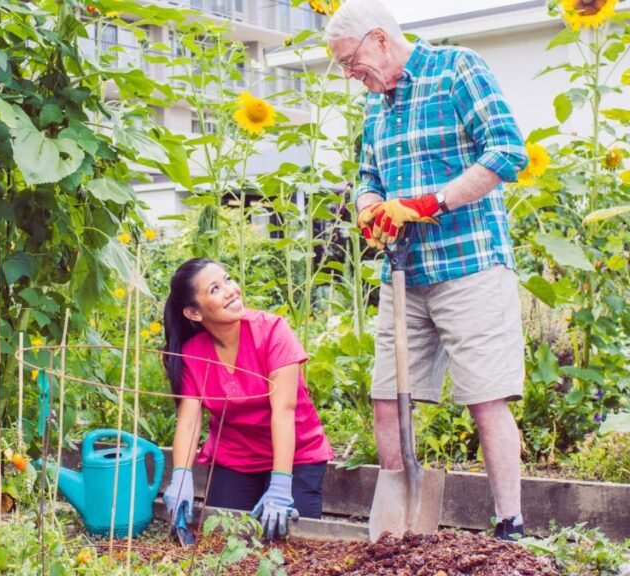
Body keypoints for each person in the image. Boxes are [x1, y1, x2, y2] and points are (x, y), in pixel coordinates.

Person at [325, 0, 529, 541]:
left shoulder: (456, 69)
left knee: (486, 395)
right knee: (387, 396)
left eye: (352, 62)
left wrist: (429, 203)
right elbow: (367, 174)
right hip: (403, 273)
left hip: (469, 264)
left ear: (380, 40)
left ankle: (510, 522)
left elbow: (507, 151)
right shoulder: (377, 105)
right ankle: (400, 526)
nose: (351, 75)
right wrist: (371, 206)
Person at [159, 258, 334, 540]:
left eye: (228, 279)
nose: (230, 290)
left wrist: (280, 484)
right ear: (193, 313)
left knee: (290, 541)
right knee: (223, 538)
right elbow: (189, 422)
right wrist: (181, 476)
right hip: (236, 458)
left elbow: (284, 411)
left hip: (297, 455)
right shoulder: (193, 353)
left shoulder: (273, 331)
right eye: (215, 289)